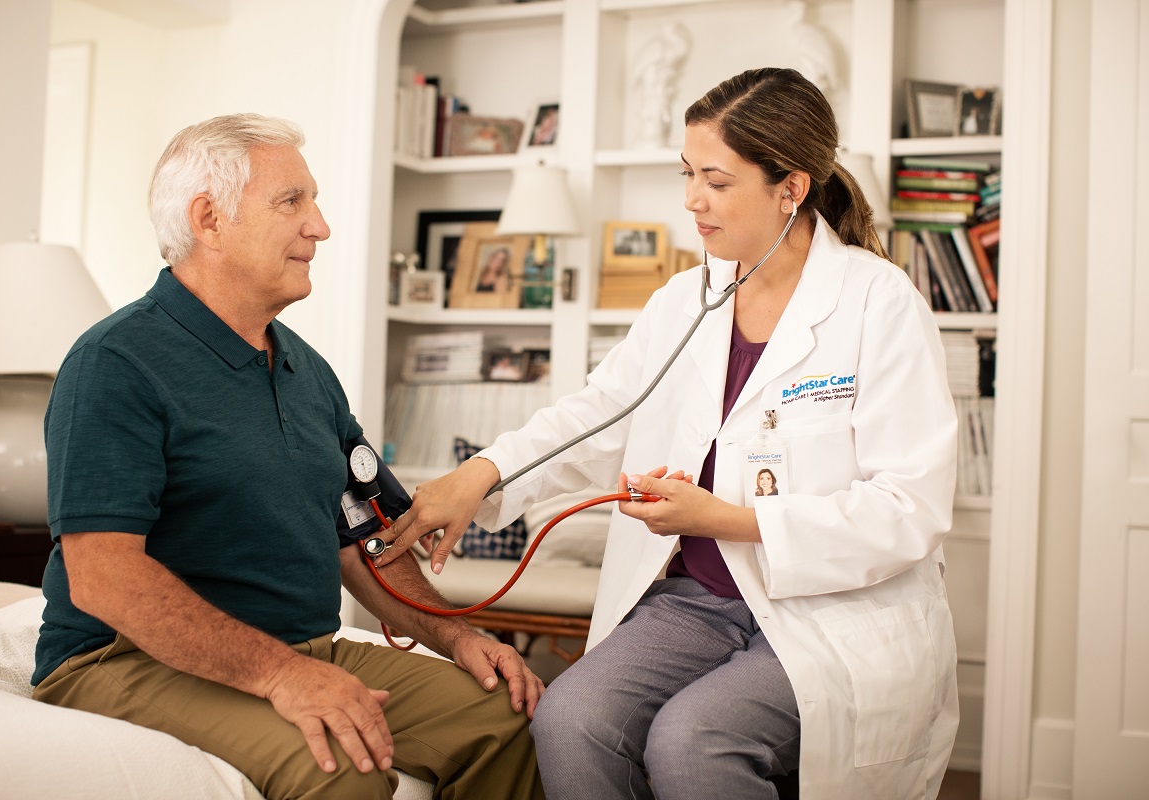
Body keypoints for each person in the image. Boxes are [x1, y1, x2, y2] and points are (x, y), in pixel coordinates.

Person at [375, 68, 959, 799]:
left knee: (692, 743)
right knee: (571, 720)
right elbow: (598, 414)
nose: (691, 199)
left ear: (792, 188)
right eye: (688, 173)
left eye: (715, 180)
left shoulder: (879, 304)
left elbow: (912, 506)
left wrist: (730, 520)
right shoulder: (685, 300)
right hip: (697, 599)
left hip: (831, 606)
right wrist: (483, 473)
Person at [31, 113, 544, 800]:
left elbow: (365, 539)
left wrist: (457, 636)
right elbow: (102, 579)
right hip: (123, 658)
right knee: (342, 767)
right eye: (292, 202)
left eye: (315, 201)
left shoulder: (308, 370)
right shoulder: (115, 363)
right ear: (210, 219)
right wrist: (281, 675)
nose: (320, 226)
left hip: (298, 648)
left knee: (504, 719)